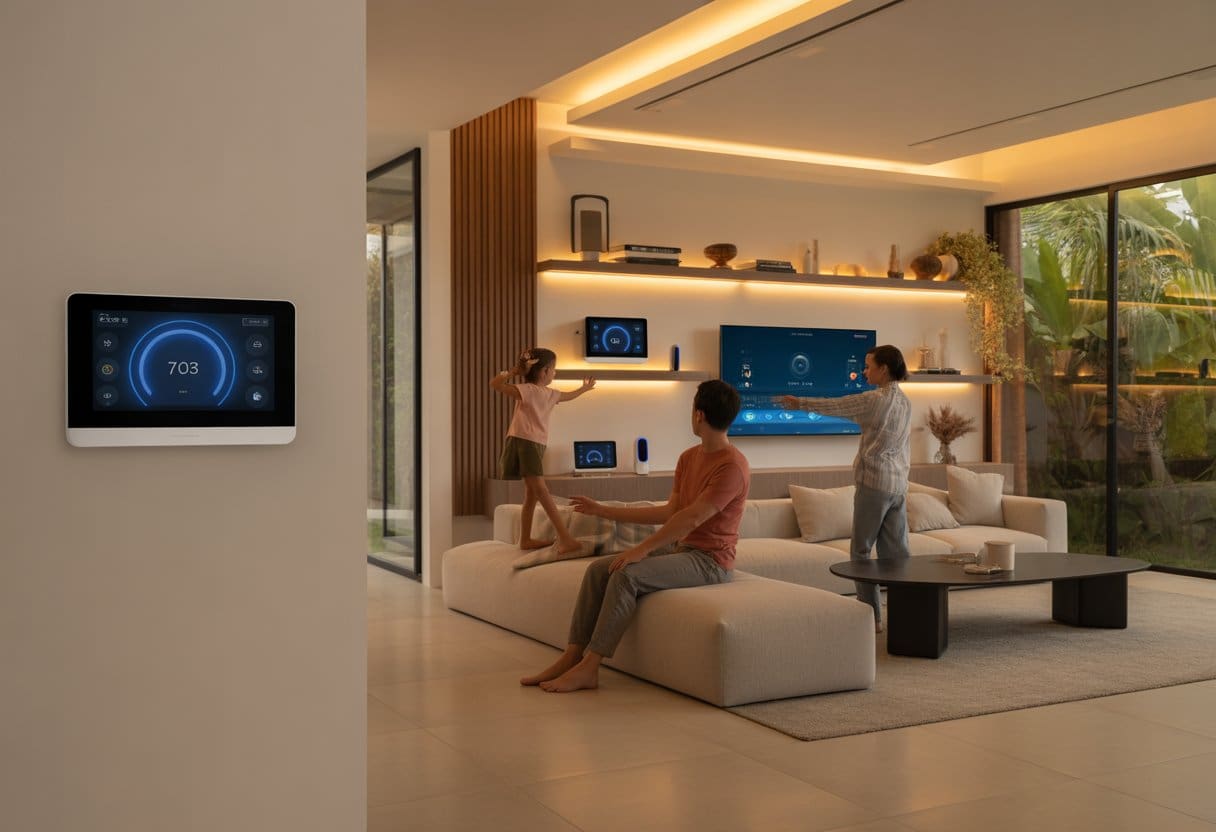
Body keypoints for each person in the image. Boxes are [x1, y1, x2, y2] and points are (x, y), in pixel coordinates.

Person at [521, 379, 749, 693]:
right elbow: (671, 512)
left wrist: (640, 550)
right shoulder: (688, 458)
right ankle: (572, 655)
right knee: (598, 570)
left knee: (626, 575)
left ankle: (590, 667)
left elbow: (691, 517)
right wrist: (603, 510)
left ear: (698, 414)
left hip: (710, 562)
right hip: (682, 550)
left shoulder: (732, 467)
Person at [776, 344, 911, 632]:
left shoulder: (874, 400)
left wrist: (800, 402)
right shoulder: (906, 402)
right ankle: (906, 614)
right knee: (897, 556)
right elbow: (905, 449)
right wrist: (903, 481)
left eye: (869, 366)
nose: (864, 371)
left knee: (861, 552)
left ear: (883, 369)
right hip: (898, 485)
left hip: (874, 484)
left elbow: (837, 405)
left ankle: (871, 617)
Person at [491, 348, 595, 555]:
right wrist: (514, 370)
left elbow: (568, 396)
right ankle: (565, 537)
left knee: (531, 494)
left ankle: (526, 539)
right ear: (544, 371)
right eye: (553, 370)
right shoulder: (527, 390)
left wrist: (583, 389)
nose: (554, 374)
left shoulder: (550, 394)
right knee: (541, 490)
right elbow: (496, 384)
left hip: (536, 444)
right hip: (525, 442)